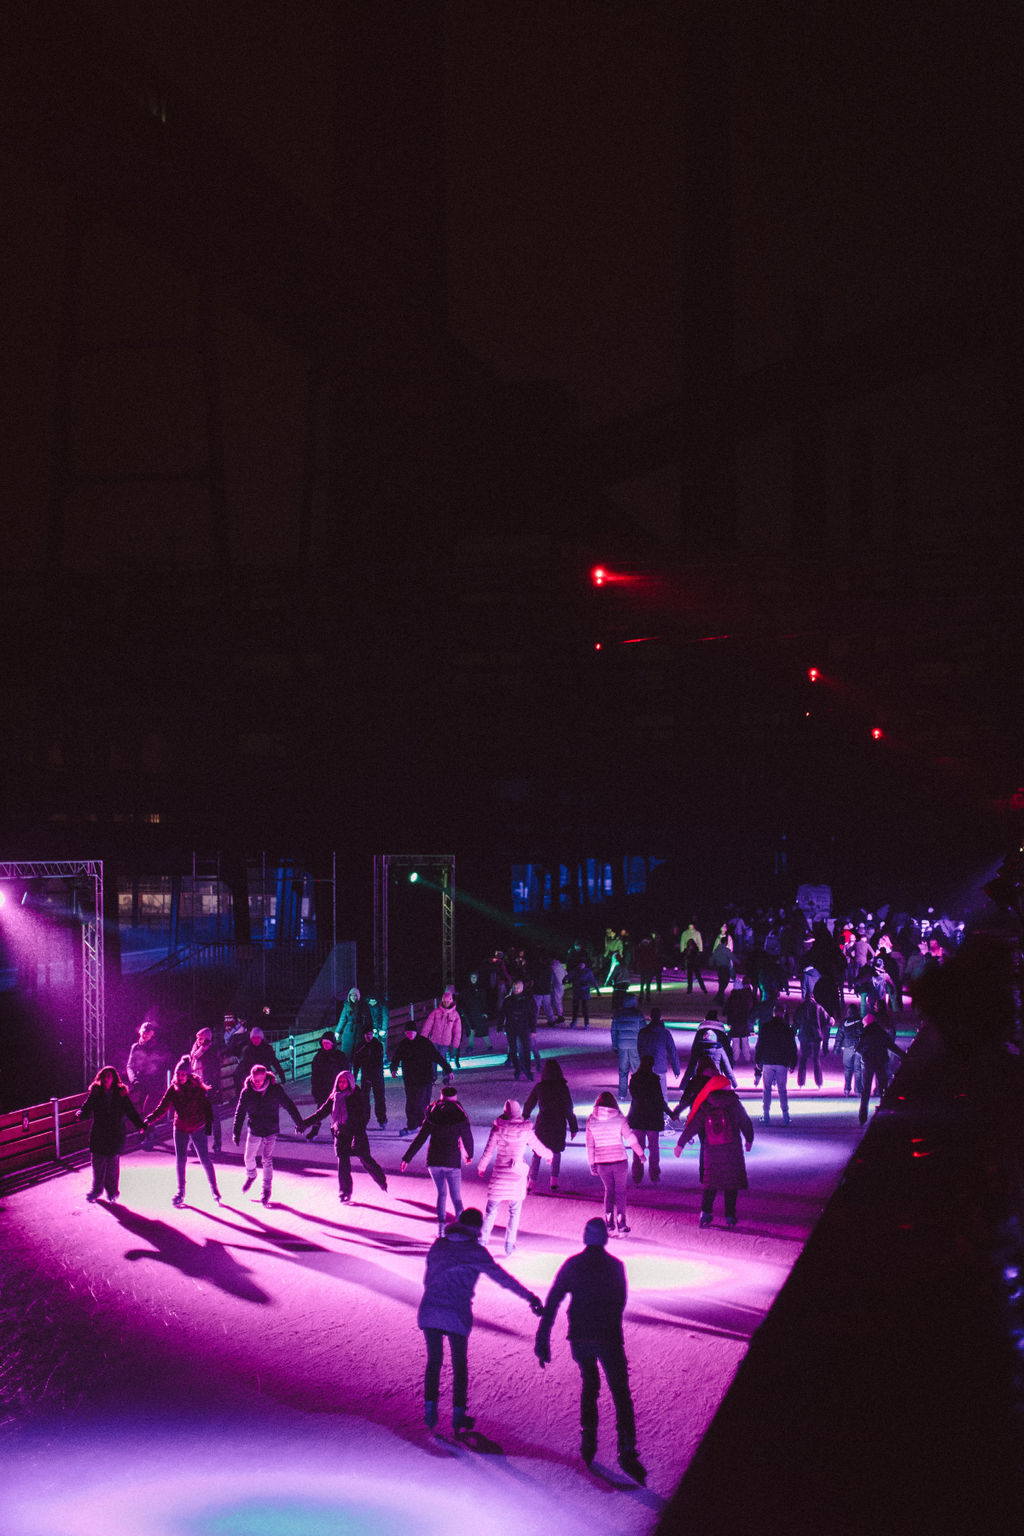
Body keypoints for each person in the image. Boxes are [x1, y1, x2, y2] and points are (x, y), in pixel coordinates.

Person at [535, 1216, 646, 1484]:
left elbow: (553, 1301)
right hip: (608, 1336)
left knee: (590, 1384)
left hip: (581, 1336)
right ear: (604, 1239)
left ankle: (588, 1439)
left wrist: (542, 1338)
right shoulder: (616, 1267)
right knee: (620, 1391)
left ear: (586, 1237)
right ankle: (627, 1446)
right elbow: (621, 1301)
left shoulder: (573, 1265)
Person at [418, 1207, 543, 1434]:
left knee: (434, 1361)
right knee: (459, 1365)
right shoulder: (476, 1252)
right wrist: (530, 1297)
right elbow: (503, 1279)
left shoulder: (439, 1245)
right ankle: (457, 1416)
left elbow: (428, 1277)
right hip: (456, 1311)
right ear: (476, 1228)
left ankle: (430, 1411)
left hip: (430, 1309)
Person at [674, 1070, 754, 1228]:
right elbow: (745, 1122)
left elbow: (694, 1126)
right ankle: (730, 1217)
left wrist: (680, 1143)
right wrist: (749, 1139)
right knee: (731, 1185)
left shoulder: (706, 1104)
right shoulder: (734, 1104)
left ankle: (705, 1214)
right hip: (732, 1151)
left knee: (710, 1184)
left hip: (712, 1151)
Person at [144, 1056, 222, 1207]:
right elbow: (162, 1107)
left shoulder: (197, 1089)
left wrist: (207, 1124)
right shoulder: (173, 1089)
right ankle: (180, 1192)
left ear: (188, 1075)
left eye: (183, 1074)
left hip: (197, 1127)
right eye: (178, 1074)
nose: (180, 1077)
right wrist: (149, 1120)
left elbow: (206, 1106)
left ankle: (214, 1190)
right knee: (181, 1160)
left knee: (204, 1159)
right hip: (180, 1128)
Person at [477, 1098, 551, 1255]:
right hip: (516, 1175)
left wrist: (482, 1166)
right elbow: (537, 1146)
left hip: (500, 1175)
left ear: (505, 1111)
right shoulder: (525, 1130)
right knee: (514, 1211)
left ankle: (482, 1240)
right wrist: (548, 1155)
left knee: (491, 1210)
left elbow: (489, 1151)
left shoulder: (498, 1129)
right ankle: (509, 1245)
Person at [303, 1068, 388, 1202]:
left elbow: (364, 1117)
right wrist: (304, 1124)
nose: (342, 1084)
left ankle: (381, 1180)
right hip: (340, 1133)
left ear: (350, 1082)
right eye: (340, 1082)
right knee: (343, 1164)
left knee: (366, 1160)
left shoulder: (358, 1096)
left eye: (344, 1081)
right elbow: (321, 1113)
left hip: (356, 1133)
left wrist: (358, 1135)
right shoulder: (334, 1097)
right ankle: (344, 1192)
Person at [401, 1083, 474, 1236]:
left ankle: (441, 1228)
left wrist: (407, 1158)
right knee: (456, 1197)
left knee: (442, 1194)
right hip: (452, 1161)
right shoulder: (460, 1114)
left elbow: (420, 1138)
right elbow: (467, 1136)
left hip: (434, 1161)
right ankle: (460, 1228)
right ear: (455, 1098)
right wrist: (470, 1154)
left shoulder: (433, 1113)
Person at [232, 1061, 304, 1205]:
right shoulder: (247, 1092)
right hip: (255, 1129)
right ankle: (251, 1175)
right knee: (248, 1158)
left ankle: (266, 1190)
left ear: (265, 1078)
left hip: (271, 1129)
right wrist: (236, 1132)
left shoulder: (275, 1090)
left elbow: (289, 1105)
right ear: (251, 1077)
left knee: (266, 1159)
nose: (257, 1083)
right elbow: (240, 1112)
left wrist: (299, 1122)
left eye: (259, 1080)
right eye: (254, 1080)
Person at [76, 1065, 145, 1202]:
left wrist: (139, 1125)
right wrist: (80, 1114)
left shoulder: (121, 1094)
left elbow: (130, 1110)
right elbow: (86, 1107)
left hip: (115, 1133)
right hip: (99, 1133)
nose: (106, 1078)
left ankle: (112, 1192)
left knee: (112, 1165)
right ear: (100, 1078)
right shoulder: (95, 1093)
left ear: (114, 1078)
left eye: (109, 1076)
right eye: (104, 1076)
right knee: (98, 1163)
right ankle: (96, 1190)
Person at [586, 1090, 644, 1236]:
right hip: (619, 1161)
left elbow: (590, 1145)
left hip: (602, 1162)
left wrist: (592, 1163)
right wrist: (640, 1153)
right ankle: (622, 1224)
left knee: (609, 1191)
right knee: (620, 1192)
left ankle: (609, 1225)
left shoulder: (591, 1120)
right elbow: (630, 1138)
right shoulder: (619, 1118)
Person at [523, 1058, 578, 1193]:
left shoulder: (540, 1087)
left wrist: (525, 1117)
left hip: (543, 1123)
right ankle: (554, 1181)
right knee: (556, 1152)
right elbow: (568, 1108)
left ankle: (531, 1182)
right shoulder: (563, 1088)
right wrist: (573, 1126)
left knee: (537, 1152)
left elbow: (529, 1103)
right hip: (558, 1123)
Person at [389, 1025, 450, 1136]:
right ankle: (412, 1126)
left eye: (412, 1032)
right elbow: (396, 1058)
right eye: (407, 1033)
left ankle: (424, 1125)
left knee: (423, 1103)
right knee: (411, 1103)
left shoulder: (424, 1043)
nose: (410, 1035)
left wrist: (448, 1069)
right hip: (410, 1079)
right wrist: (393, 1069)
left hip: (424, 1078)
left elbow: (437, 1057)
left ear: (416, 1032)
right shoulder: (404, 1044)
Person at [855, 1012, 907, 1125]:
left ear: (866, 1023)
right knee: (883, 1086)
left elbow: (858, 1048)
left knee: (866, 1089)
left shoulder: (865, 1033)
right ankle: (885, 1109)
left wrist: (864, 1054)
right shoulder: (881, 1032)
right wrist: (903, 1055)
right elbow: (891, 1046)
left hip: (868, 1062)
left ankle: (862, 1115)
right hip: (881, 1061)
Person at [627, 1055, 672, 1184]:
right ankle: (654, 1173)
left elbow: (634, 1096)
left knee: (638, 1147)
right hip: (652, 1117)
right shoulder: (654, 1079)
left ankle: (637, 1173)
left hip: (638, 1117)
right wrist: (670, 1112)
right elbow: (659, 1100)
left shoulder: (635, 1079)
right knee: (654, 1147)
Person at [125, 1020, 168, 1145]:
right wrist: (133, 1079)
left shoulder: (157, 1046)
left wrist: (161, 1080)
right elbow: (129, 1065)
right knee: (144, 1110)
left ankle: (146, 1134)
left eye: (148, 1033)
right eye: (143, 1032)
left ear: (152, 1034)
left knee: (147, 1109)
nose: (145, 1035)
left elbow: (162, 1063)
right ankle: (150, 1131)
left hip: (154, 1084)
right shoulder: (135, 1047)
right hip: (140, 1084)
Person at [754, 1010, 798, 1125]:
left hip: (768, 1061)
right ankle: (786, 1116)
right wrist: (792, 1063)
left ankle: (766, 1115)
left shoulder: (766, 1027)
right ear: (783, 1013)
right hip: (782, 1062)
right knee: (782, 1090)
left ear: (773, 1013)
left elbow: (760, 1044)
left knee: (767, 1090)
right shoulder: (787, 1029)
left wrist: (758, 1060)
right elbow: (792, 1047)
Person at [188, 1026, 225, 1154]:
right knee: (197, 1116)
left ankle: (217, 1143)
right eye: (198, 1037)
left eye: (202, 1038)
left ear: (207, 1038)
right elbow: (192, 1067)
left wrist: (215, 1087)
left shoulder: (212, 1050)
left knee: (214, 1116)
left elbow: (216, 1069)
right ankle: (195, 1143)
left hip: (209, 1086)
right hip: (197, 1087)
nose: (199, 1040)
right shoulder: (195, 1050)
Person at [636, 1006, 681, 1099]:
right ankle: (663, 1113)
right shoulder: (665, 1033)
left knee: (647, 1094)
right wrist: (676, 1069)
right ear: (660, 1017)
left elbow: (639, 1049)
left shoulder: (643, 1032)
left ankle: (648, 1112)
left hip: (646, 1068)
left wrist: (641, 1064)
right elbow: (672, 1051)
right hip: (660, 1067)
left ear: (650, 1017)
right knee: (662, 1094)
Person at [309, 1032, 348, 1138]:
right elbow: (315, 1074)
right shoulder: (318, 1057)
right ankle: (315, 1130)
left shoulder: (339, 1056)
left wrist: (346, 1087)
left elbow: (345, 1072)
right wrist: (314, 1089)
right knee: (320, 1111)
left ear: (332, 1044)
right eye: (324, 1043)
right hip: (322, 1089)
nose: (326, 1045)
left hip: (336, 1089)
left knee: (336, 1112)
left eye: (328, 1043)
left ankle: (336, 1131)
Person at [233, 1027, 288, 1102]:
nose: (255, 1040)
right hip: (254, 1078)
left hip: (265, 1076)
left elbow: (275, 1062)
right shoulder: (248, 1050)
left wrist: (282, 1076)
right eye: (253, 1038)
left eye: (257, 1038)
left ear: (261, 1038)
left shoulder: (267, 1049)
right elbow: (244, 1064)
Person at [497, 978, 537, 1081]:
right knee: (513, 1050)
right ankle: (517, 1069)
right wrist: (500, 1026)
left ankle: (527, 1070)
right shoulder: (508, 1000)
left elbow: (533, 1015)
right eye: (514, 987)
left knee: (526, 1050)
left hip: (524, 1027)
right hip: (512, 1028)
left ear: (522, 988)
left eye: (518, 987)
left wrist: (533, 1029)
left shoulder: (528, 999)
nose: (516, 989)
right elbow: (502, 1014)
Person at [610, 991, 645, 1102]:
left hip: (622, 1045)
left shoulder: (617, 1014)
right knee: (637, 1071)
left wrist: (615, 1045)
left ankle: (622, 1093)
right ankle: (638, 1092)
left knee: (623, 1070)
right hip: (635, 1045)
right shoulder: (638, 1014)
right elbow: (643, 1031)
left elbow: (614, 1031)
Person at [420, 986, 463, 1074]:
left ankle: (446, 1074)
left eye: (447, 1001)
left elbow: (457, 1030)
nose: (446, 1003)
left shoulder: (455, 1014)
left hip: (445, 1041)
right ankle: (433, 1075)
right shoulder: (436, 1012)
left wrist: (456, 1043)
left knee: (443, 1058)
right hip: (434, 1040)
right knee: (433, 1058)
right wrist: (423, 1038)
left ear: (451, 1001)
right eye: (444, 1001)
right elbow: (428, 1025)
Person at [352, 1023, 387, 1128]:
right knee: (364, 1100)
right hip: (366, 1076)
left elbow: (378, 1062)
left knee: (379, 1098)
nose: (369, 1036)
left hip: (377, 1076)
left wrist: (375, 1076)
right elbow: (356, 1062)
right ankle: (364, 1120)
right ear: (364, 1035)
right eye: (367, 1034)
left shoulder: (377, 1045)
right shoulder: (360, 1046)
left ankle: (382, 1120)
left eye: (371, 1034)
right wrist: (354, 1076)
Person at [834, 1006, 864, 1096]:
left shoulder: (844, 1023)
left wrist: (837, 1048)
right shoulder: (861, 1022)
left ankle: (847, 1089)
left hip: (847, 1047)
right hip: (859, 1048)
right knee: (858, 1070)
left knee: (848, 1070)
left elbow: (839, 1036)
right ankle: (858, 1090)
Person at [566, 954, 600, 1028]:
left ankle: (586, 1022)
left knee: (585, 1008)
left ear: (585, 964)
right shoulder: (575, 971)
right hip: (577, 992)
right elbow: (569, 976)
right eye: (580, 964)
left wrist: (597, 990)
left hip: (585, 992)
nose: (581, 965)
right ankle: (574, 1021)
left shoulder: (588, 972)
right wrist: (565, 979)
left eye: (583, 964)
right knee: (575, 1007)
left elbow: (593, 980)